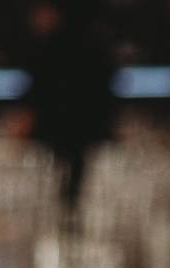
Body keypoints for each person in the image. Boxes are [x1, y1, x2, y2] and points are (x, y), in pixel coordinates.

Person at [22, 1, 115, 203]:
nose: (34, 18)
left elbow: (38, 99)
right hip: (83, 139)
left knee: (63, 192)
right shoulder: (95, 44)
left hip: (63, 138)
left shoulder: (51, 50)